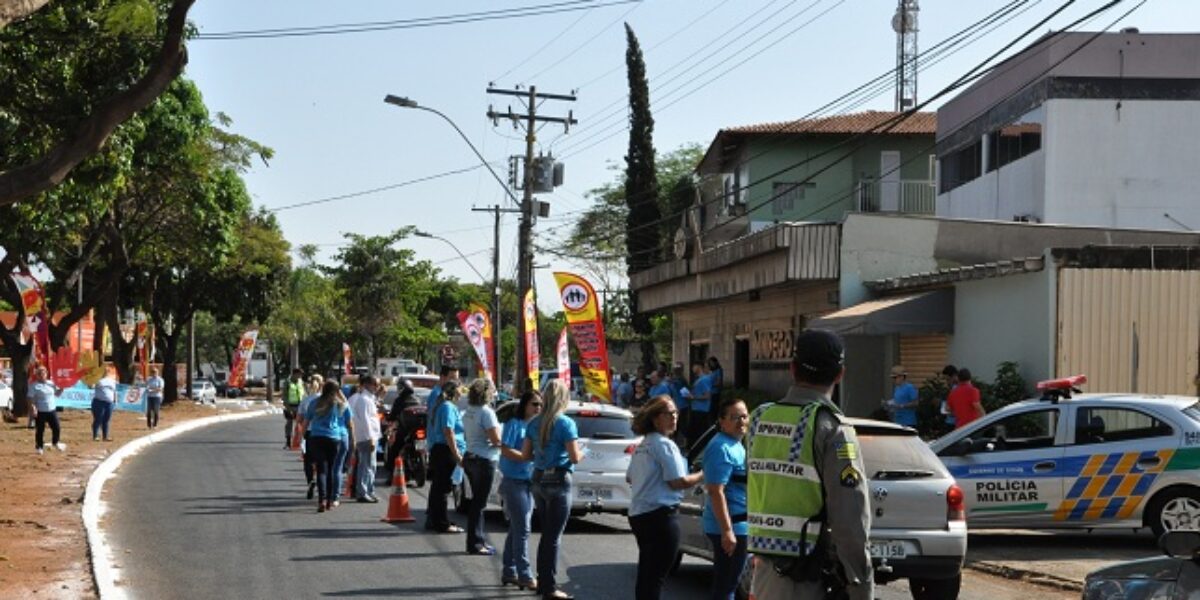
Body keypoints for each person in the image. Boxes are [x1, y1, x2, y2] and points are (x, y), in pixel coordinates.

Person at [746, 328, 872, 600]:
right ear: (840, 374)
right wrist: (861, 584)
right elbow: (850, 520)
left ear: (792, 369)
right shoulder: (831, 428)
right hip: (810, 579)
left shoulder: (759, 419)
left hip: (765, 575)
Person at [626, 396, 703, 600]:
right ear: (656, 418)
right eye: (669, 413)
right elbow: (678, 481)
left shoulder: (644, 444)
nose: (674, 417)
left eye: (676, 413)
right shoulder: (664, 445)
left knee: (647, 576)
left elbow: (629, 477)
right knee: (656, 577)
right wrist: (704, 474)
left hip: (640, 515)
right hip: (661, 517)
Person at [520, 379, 581, 600]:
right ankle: (549, 586)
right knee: (553, 537)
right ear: (564, 399)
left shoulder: (534, 423)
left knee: (546, 534)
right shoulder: (565, 423)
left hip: (538, 477)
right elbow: (574, 456)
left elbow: (526, 456)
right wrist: (582, 453)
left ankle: (542, 581)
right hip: (559, 477)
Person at [703, 398, 749, 600]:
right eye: (734, 417)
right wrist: (727, 531)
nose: (741, 421)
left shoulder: (736, 445)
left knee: (729, 583)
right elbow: (715, 491)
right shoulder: (721, 447)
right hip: (730, 527)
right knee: (726, 586)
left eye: (744, 416)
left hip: (739, 524)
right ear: (722, 421)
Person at [498, 390, 542, 591]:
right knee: (523, 528)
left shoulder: (536, 426)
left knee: (517, 528)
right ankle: (525, 574)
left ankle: (509, 570)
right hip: (513, 481)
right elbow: (505, 449)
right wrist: (525, 457)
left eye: (540, 405)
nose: (537, 408)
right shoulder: (513, 424)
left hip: (530, 482)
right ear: (524, 405)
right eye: (534, 404)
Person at [462, 378, 501, 555]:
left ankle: (475, 540)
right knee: (480, 503)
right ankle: (476, 543)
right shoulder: (487, 412)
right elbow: (495, 439)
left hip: (470, 456)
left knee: (476, 502)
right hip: (484, 459)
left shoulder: (469, 410)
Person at [303, 381, 354, 512]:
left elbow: (306, 421)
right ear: (337, 390)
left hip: (317, 437)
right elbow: (349, 422)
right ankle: (330, 501)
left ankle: (322, 499)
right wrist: (352, 439)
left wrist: (304, 436)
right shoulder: (340, 404)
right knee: (332, 469)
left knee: (321, 470)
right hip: (334, 438)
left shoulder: (314, 403)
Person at [426, 378, 465, 534]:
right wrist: (457, 455)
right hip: (445, 450)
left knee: (439, 488)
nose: (462, 394)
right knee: (443, 489)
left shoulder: (443, 406)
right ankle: (442, 522)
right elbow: (448, 431)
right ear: (454, 391)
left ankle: (437, 519)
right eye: (461, 390)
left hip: (440, 449)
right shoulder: (448, 407)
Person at [348, 375, 381, 503]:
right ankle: (362, 492)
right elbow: (366, 420)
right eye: (375, 384)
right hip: (367, 437)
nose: (377, 388)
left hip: (371, 436)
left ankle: (369, 490)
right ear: (367, 384)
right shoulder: (364, 400)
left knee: (371, 465)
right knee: (366, 465)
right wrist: (370, 438)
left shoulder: (369, 399)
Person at [28, 366, 64, 455]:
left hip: (51, 410)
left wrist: (62, 388)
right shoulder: (34, 386)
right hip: (40, 411)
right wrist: (33, 408)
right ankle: (39, 447)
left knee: (56, 427)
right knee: (40, 430)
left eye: (43, 373)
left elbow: (57, 394)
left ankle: (55, 442)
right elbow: (30, 398)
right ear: (37, 375)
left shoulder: (51, 383)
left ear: (46, 374)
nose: (42, 375)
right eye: (39, 373)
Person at [300, 374, 323, 500]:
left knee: (308, 460)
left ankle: (310, 480)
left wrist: (301, 433)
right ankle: (321, 484)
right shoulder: (327, 399)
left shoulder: (306, 400)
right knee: (322, 461)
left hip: (309, 433)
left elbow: (300, 418)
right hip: (324, 433)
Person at [688, 363, 714, 444]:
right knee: (695, 430)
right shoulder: (698, 379)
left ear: (699, 367)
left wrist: (694, 398)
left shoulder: (704, 379)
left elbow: (707, 395)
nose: (692, 368)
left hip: (701, 409)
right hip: (695, 408)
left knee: (700, 431)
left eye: (694, 366)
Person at [91, 368, 117, 441]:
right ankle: (95, 435)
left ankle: (105, 436)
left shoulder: (112, 381)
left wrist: (115, 401)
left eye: (108, 371)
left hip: (109, 403)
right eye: (105, 371)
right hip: (99, 402)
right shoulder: (98, 380)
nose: (107, 373)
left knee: (106, 420)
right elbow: (91, 386)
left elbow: (114, 392)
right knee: (98, 419)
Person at [283, 368, 305, 449]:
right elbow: (284, 396)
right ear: (294, 374)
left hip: (300, 406)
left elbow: (303, 393)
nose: (300, 376)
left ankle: (300, 442)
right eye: (299, 374)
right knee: (289, 424)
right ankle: (288, 441)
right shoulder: (288, 382)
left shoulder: (300, 382)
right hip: (291, 406)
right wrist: (288, 408)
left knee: (301, 424)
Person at [939, 365, 959, 429]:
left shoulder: (956, 389)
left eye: (948, 379)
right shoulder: (953, 388)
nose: (947, 382)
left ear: (953, 376)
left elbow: (956, 408)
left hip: (954, 423)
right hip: (950, 421)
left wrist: (943, 406)